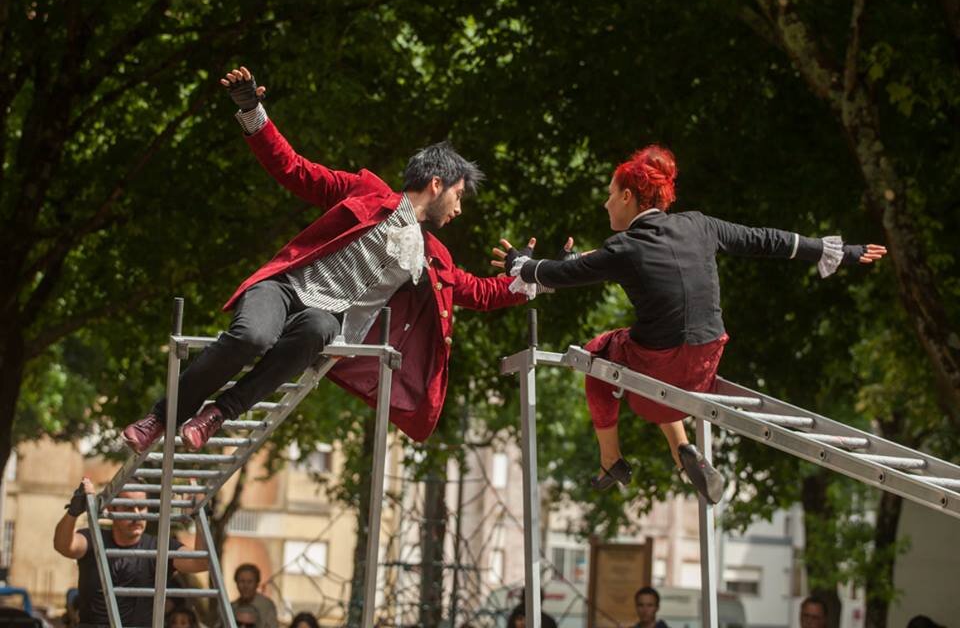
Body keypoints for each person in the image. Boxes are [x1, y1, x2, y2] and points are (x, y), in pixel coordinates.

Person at [122, 65, 532, 454]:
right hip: (286, 289)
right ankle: (161, 417)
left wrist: (533, 274)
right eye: (459, 196)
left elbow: (479, 291)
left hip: (324, 319)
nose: (458, 209)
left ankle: (218, 413)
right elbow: (295, 170)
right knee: (252, 337)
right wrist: (252, 112)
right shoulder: (365, 191)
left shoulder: (431, 256)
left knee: (320, 326)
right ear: (437, 184)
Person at [495, 145, 886, 501]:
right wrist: (839, 252)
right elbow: (767, 240)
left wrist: (521, 264)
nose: (605, 204)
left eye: (610, 195)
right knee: (649, 355)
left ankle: (611, 459)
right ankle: (682, 454)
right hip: (704, 364)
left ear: (628, 196)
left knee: (596, 355)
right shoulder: (699, 226)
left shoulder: (624, 247)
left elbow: (561, 274)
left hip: (659, 369)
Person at [53, 477, 209, 627]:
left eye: (142, 507)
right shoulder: (94, 538)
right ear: (111, 509)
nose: (136, 515)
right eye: (128, 507)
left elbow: (201, 562)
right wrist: (73, 512)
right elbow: (63, 546)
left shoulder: (160, 546)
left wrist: (200, 517)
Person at [230, 564, 278, 628]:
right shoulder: (231, 607)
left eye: (250, 582)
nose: (245, 586)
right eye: (242, 581)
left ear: (257, 584)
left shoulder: (267, 606)